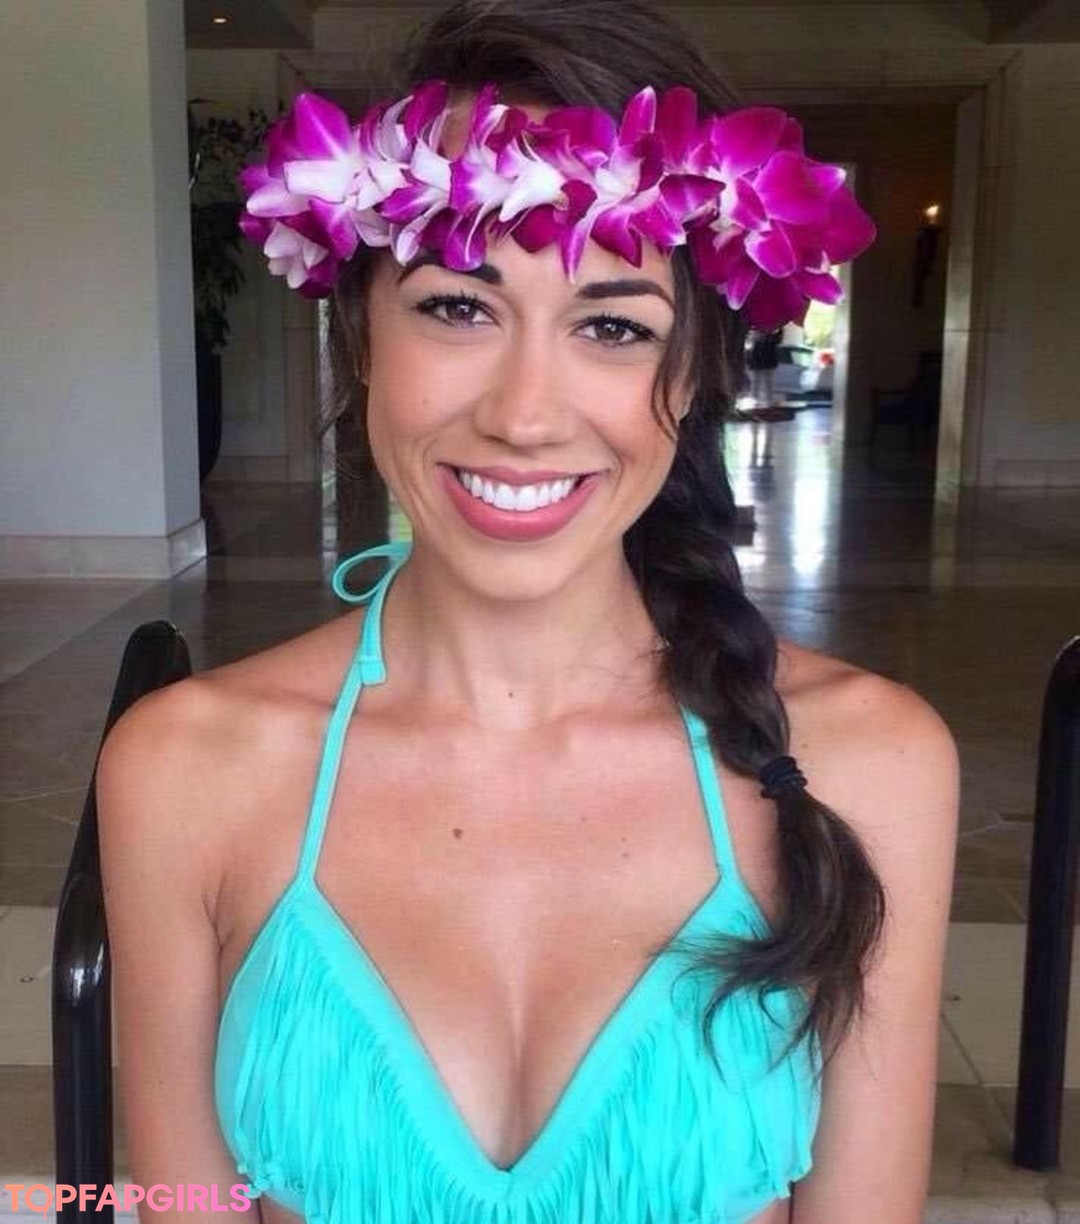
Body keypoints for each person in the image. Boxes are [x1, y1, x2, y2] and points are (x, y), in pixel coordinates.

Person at [97, 3, 959, 1223]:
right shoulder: (186, 768)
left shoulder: (870, 764)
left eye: (612, 326)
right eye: (459, 306)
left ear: (694, 375)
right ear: (359, 332)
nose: (525, 415)